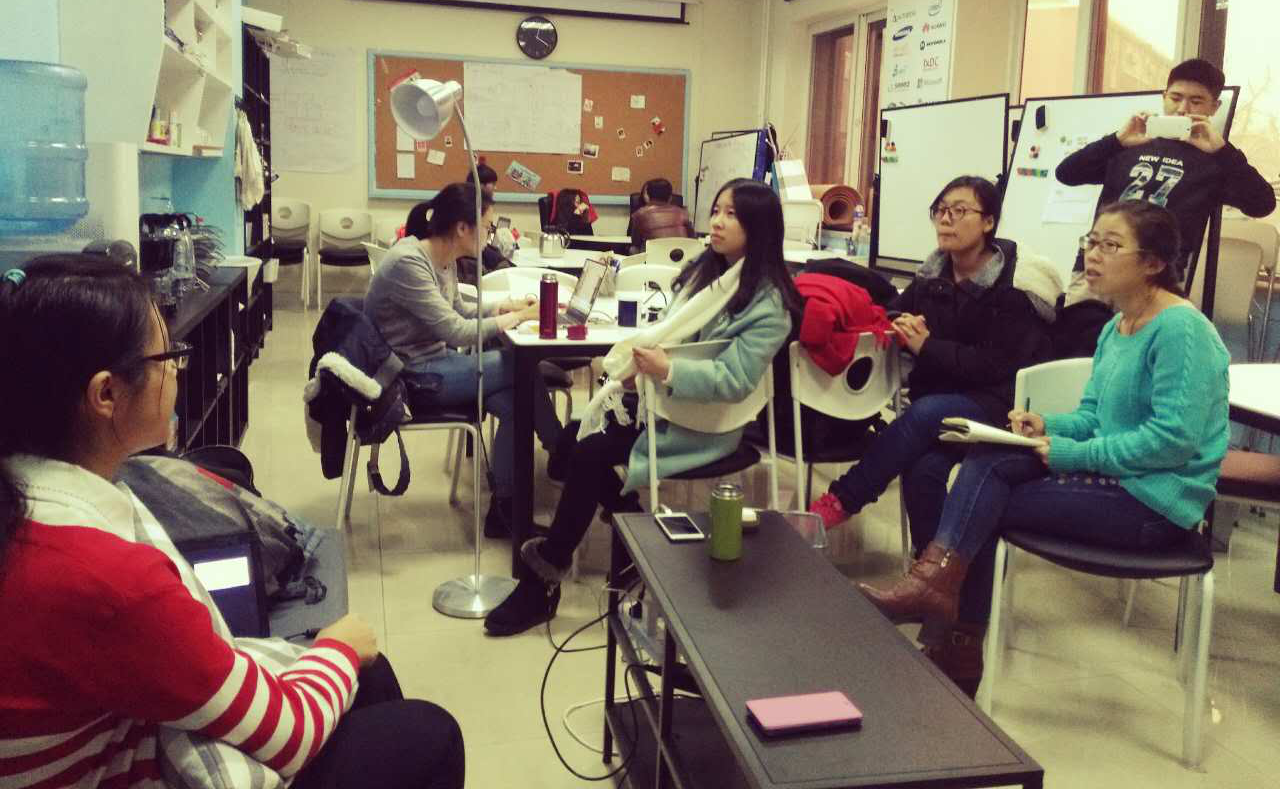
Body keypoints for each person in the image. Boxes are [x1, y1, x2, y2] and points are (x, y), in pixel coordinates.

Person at [0, 255, 464, 789]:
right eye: (167, 357)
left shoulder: (30, 497)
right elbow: (288, 734)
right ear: (105, 394)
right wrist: (337, 647)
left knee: (372, 676)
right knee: (431, 733)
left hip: (110, 730)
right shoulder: (109, 580)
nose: (178, 370)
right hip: (127, 764)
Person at [860, 201, 1228, 697]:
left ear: (1154, 263)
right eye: (1091, 242)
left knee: (982, 502)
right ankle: (946, 617)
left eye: (1111, 245)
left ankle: (949, 624)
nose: (1093, 255)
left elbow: (1172, 443)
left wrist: (1071, 453)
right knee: (987, 461)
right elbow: (1094, 417)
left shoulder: (1182, 330)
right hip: (1121, 481)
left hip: (1156, 503)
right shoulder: (1116, 327)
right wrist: (1045, 424)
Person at [484, 178, 802, 636]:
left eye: (731, 214)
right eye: (716, 210)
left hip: (705, 423)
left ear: (760, 226)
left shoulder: (768, 304)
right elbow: (674, 334)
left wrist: (665, 370)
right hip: (666, 404)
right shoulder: (709, 274)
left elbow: (734, 380)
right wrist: (648, 367)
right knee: (572, 441)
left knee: (589, 454)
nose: (716, 221)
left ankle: (543, 580)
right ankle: (634, 535)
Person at [808, 176, 1063, 553]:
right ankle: (932, 567)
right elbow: (895, 309)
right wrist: (902, 323)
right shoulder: (934, 274)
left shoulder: (1013, 288)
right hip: (943, 404)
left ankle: (842, 500)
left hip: (1000, 406)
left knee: (926, 412)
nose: (946, 219)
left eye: (959, 211)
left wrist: (927, 346)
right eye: (940, 211)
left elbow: (994, 366)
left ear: (988, 222)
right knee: (922, 469)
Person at [365, 184, 563, 538]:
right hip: (410, 378)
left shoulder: (442, 259)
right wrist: (518, 318)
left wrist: (504, 307)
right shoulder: (409, 262)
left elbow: (457, 309)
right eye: (487, 227)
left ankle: (505, 511)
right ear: (461, 228)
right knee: (520, 365)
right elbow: (456, 331)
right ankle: (560, 451)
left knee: (517, 405)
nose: (490, 235)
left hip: (435, 363)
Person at [1056, 58, 1274, 306]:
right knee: (1081, 330)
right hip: (1098, 269)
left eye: (1196, 101)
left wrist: (1223, 152)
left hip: (1157, 280)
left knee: (1145, 333)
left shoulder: (1216, 160)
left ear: (1214, 107)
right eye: (1175, 97)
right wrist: (1115, 141)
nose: (1182, 109)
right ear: (1164, 97)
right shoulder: (1131, 142)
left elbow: (1262, 204)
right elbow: (1066, 174)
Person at [627, 177, 693, 252]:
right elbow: (693, 239)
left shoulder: (639, 214)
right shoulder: (683, 213)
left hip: (654, 257)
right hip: (681, 257)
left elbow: (635, 242)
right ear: (670, 197)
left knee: (633, 249)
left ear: (648, 196)